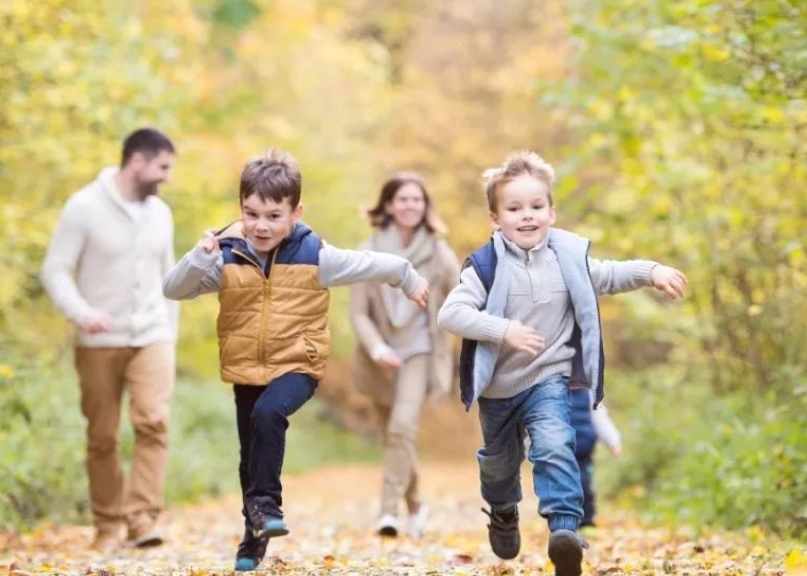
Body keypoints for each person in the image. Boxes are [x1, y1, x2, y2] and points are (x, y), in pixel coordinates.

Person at [162, 148, 429, 572]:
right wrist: (200, 255)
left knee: (269, 413)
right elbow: (173, 289)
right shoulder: (227, 257)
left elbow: (371, 264)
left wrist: (408, 277)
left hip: (298, 364)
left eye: (273, 215)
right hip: (247, 366)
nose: (260, 225)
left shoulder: (314, 256)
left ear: (295, 212)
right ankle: (253, 535)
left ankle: (267, 506)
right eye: (251, 214)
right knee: (250, 452)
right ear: (240, 210)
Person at [437, 150, 687, 576]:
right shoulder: (485, 266)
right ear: (495, 218)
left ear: (552, 211)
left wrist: (652, 271)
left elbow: (609, 274)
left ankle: (564, 531)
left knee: (555, 446)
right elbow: (450, 314)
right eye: (514, 209)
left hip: (549, 377)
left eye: (536, 206)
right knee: (499, 465)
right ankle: (503, 512)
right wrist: (503, 330)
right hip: (498, 389)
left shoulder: (567, 258)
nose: (527, 216)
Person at [41, 128, 178, 551]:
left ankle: (141, 520)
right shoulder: (83, 207)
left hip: (153, 336)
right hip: (98, 341)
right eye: (162, 167)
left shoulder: (161, 214)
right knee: (102, 435)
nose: (167, 177)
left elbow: (169, 278)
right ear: (136, 161)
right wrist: (82, 313)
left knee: (154, 422)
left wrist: (169, 333)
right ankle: (107, 524)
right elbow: (55, 269)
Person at [349, 173, 460, 539]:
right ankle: (416, 504)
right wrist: (377, 348)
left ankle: (387, 511)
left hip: (420, 350)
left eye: (417, 199)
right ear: (388, 206)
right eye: (403, 199)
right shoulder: (368, 250)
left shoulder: (438, 252)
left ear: (425, 207)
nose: (411, 205)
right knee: (393, 436)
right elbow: (359, 313)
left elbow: (464, 295)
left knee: (402, 427)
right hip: (379, 353)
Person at [569, 387, 621, 531]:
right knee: (562, 485)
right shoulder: (552, 394)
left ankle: (586, 520)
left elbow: (600, 419)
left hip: (583, 449)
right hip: (560, 450)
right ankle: (564, 520)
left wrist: (613, 441)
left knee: (584, 484)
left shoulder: (589, 395)